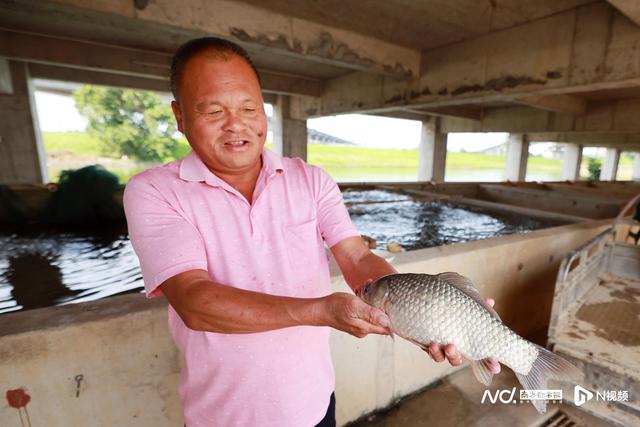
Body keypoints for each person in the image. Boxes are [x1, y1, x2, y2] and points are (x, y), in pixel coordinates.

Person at [123, 37, 500, 427]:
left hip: (314, 406)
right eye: (214, 110)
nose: (237, 124)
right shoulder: (154, 191)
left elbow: (355, 257)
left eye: (250, 108)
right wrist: (321, 311)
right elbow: (194, 301)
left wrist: (424, 309)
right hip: (223, 418)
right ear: (180, 115)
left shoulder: (310, 179)